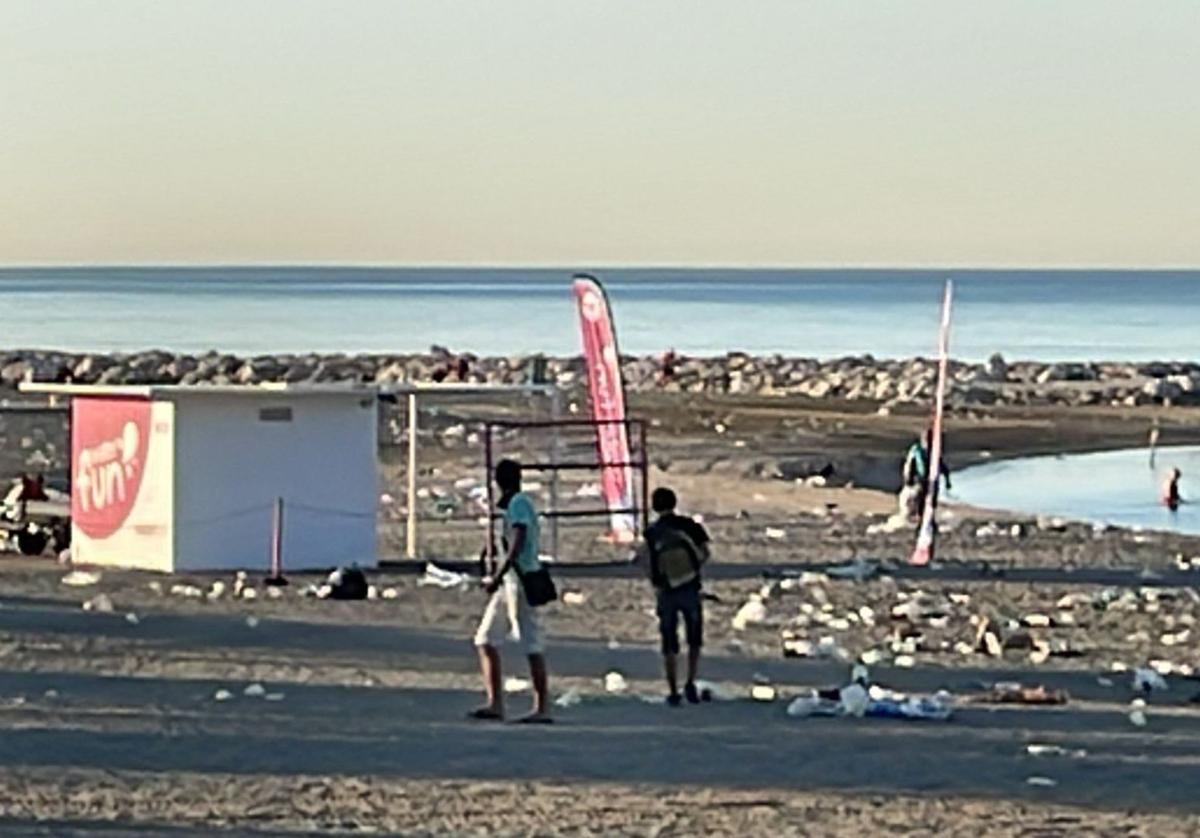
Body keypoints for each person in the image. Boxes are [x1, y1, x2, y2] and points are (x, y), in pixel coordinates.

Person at [471, 459, 551, 723]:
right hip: (509, 583)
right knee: (485, 639)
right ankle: (495, 703)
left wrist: (498, 575)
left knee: (530, 643)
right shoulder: (514, 505)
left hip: (521, 581)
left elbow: (517, 541)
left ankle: (542, 707)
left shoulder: (518, 504)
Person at [641, 487, 710, 706]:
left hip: (666, 590)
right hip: (690, 587)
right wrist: (691, 569)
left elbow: (646, 560)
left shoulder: (652, 532)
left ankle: (672, 689)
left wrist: (657, 580)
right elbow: (705, 553)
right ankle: (690, 680)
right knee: (694, 637)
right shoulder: (690, 526)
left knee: (669, 640)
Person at [902, 429, 951, 518]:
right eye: (926, 440)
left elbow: (941, 465)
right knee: (920, 496)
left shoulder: (934, 452)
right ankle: (918, 515)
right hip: (919, 479)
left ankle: (930, 518)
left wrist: (947, 479)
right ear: (922, 440)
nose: (928, 443)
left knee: (932, 500)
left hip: (932, 479)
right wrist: (908, 477)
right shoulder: (916, 450)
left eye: (930, 440)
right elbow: (909, 464)